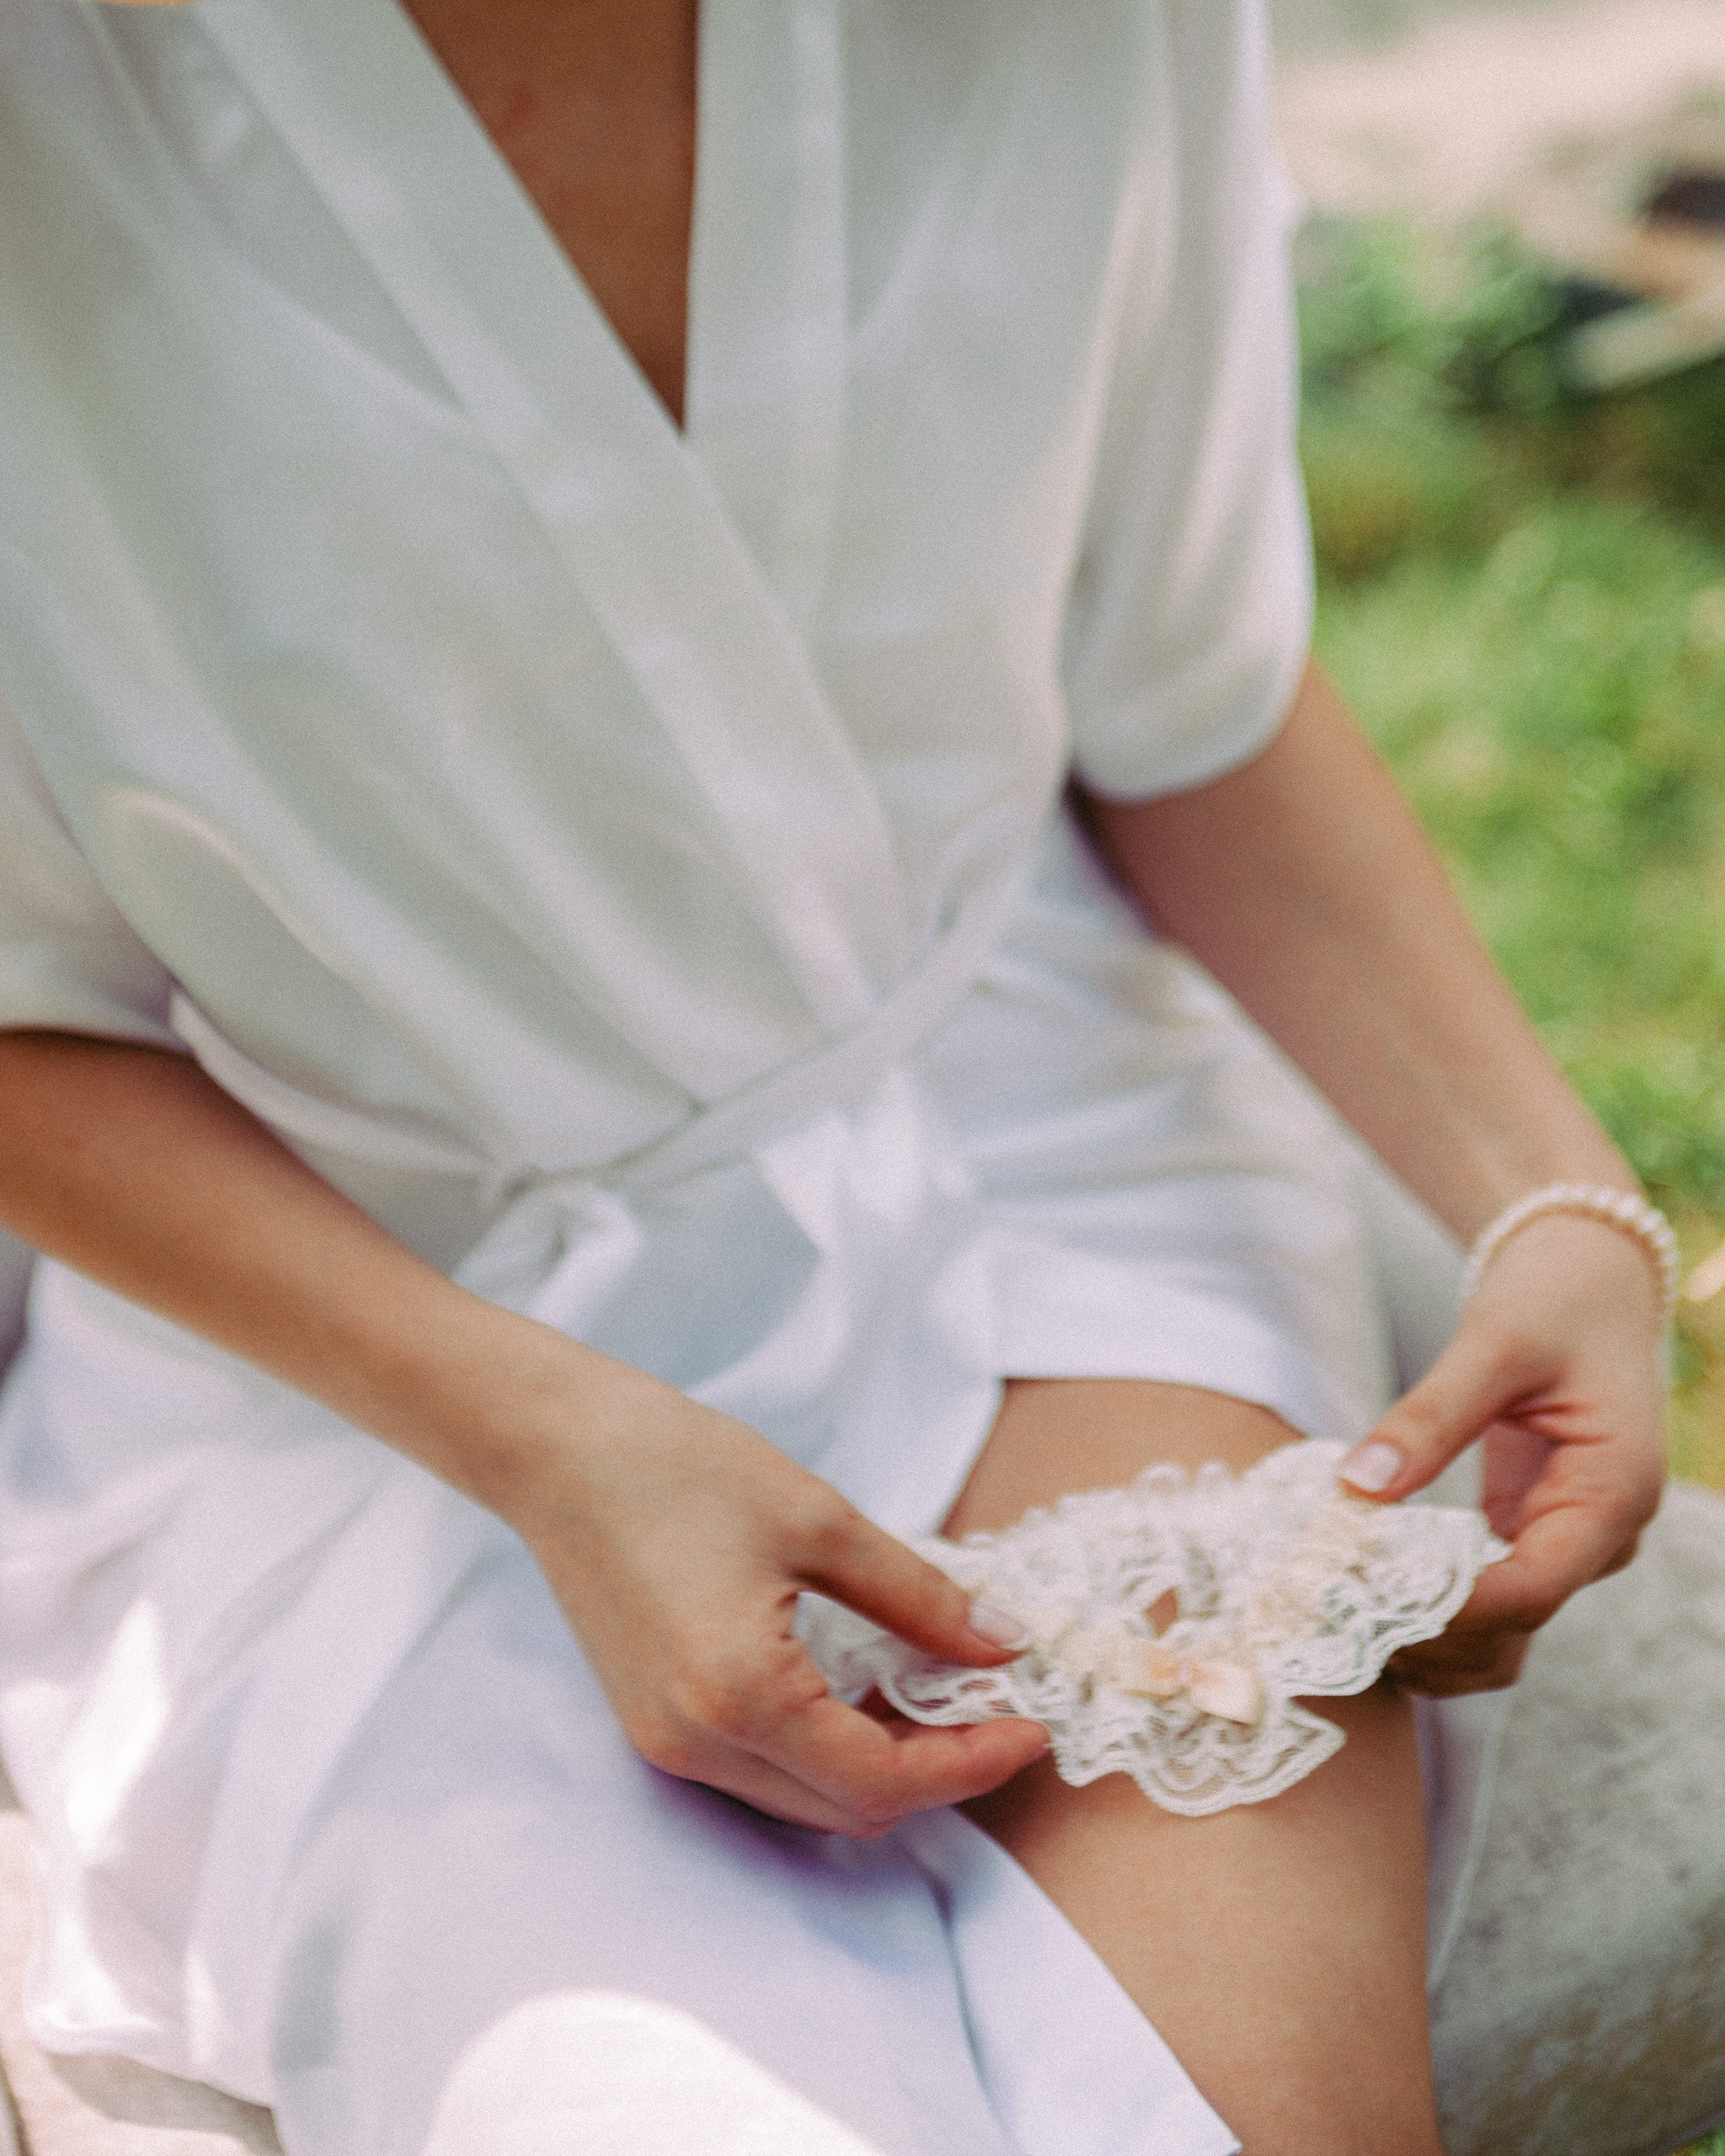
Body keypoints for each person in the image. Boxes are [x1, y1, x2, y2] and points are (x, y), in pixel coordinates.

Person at [0, 2, 1669, 2152]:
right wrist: (544, 1438)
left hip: (1035, 1150)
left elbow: (1183, 691)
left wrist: (1554, 1203)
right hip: (363, 1336)